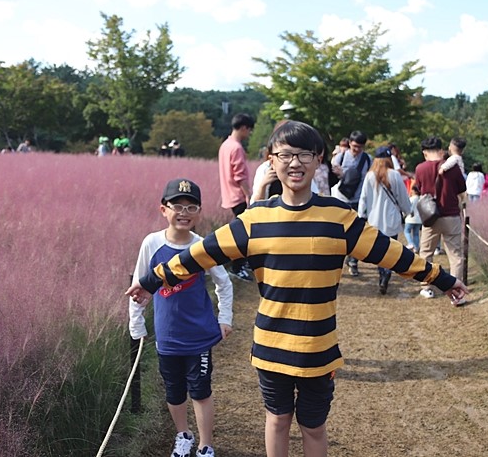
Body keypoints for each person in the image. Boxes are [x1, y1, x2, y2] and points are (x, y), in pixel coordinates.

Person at [126, 121, 467, 457]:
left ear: (319, 159)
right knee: (277, 420)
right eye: (285, 155)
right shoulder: (255, 219)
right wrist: (152, 280)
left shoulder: (339, 217)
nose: (295, 163)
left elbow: (392, 254)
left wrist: (443, 279)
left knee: (313, 426)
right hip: (272, 344)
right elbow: (198, 254)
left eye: (305, 154)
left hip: (319, 347)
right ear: (271, 161)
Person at [129, 178, 233, 457]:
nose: (184, 213)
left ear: (199, 212)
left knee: (200, 390)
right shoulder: (151, 243)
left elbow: (224, 282)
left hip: (198, 335)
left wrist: (225, 318)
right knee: (174, 391)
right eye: (177, 206)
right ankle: (183, 436)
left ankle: (205, 445)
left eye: (191, 207)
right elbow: (139, 286)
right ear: (163, 209)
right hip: (167, 334)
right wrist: (136, 322)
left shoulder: (202, 247)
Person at [414, 136, 467, 304]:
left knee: (426, 253)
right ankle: (456, 293)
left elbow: (419, 189)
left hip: (431, 217)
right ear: (441, 151)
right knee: (455, 255)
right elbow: (462, 189)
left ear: (424, 153)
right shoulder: (453, 167)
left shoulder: (420, 168)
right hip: (451, 215)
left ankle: (426, 288)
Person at [358, 146, 411, 294]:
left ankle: (382, 273)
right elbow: (402, 196)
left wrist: (361, 214)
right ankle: (387, 271)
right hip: (392, 219)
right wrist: (408, 211)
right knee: (391, 247)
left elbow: (363, 198)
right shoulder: (394, 175)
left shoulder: (370, 176)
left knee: (378, 250)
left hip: (375, 219)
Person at [218, 113, 255, 282]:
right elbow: (239, 175)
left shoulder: (225, 145)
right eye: (249, 130)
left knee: (240, 230)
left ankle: (242, 263)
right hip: (238, 195)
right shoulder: (237, 148)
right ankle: (237, 266)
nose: (249, 133)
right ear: (243, 128)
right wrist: (248, 194)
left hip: (229, 194)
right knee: (243, 233)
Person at [330, 130, 371, 277]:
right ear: (349, 144)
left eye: (360, 147)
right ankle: (340, 259)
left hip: (358, 200)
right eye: (354, 147)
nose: (357, 150)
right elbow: (332, 175)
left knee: (356, 233)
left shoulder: (367, 159)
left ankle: (353, 262)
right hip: (341, 198)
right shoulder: (340, 157)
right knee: (340, 231)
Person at [403, 185, 423, 254]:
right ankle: (416, 247)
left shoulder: (411, 199)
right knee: (416, 234)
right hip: (419, 219)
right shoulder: (420, 199)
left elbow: (408, 208)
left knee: (407, 231)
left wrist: (404, 215)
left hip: (410, 218)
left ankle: (410, 243)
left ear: (414, 191)